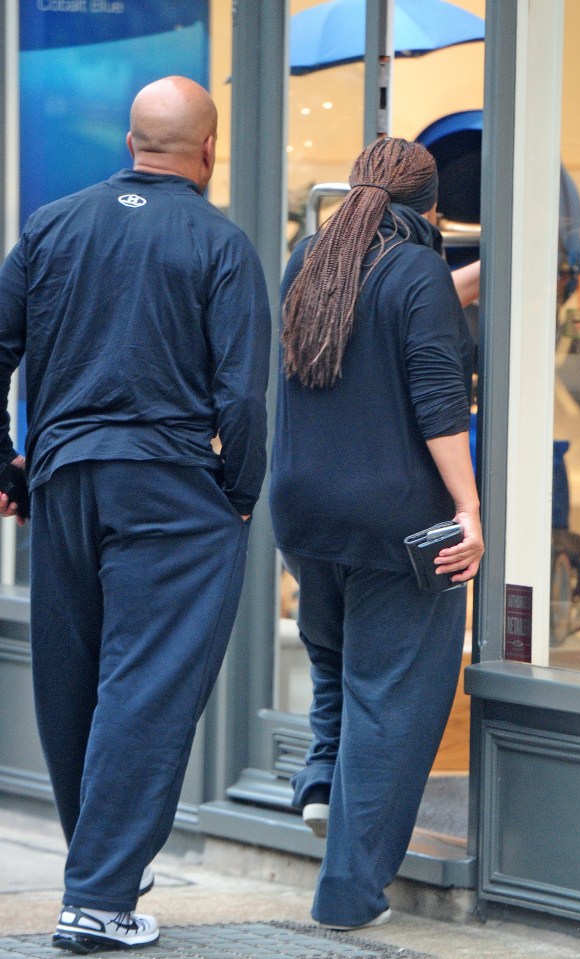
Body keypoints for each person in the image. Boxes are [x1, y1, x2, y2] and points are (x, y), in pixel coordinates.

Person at [0, 76, 270, 952]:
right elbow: (241, 396)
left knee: (76, 681)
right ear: (209, 148)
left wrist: (9, 466)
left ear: (129, 141)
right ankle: (98, 896)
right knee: (146, 687)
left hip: (66, 480)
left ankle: (99, 878)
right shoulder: (220, 244)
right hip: (167, 487)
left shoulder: (48, 227)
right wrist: (237, 496)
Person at [269, 137, 484, 931]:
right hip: (399, 524)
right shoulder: (416, 270)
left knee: (333, 664)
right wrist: (468, 508)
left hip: (306, 512)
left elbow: (373, 324)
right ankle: (349, 895)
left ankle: (322, 781)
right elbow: (435, 399)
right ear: (429, 210)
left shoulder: (309, 259)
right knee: (390, 701)